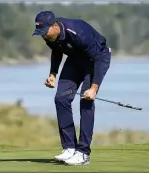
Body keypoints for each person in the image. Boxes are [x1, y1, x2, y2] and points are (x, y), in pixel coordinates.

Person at [32, 11, 111, 166]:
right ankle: (69, 148)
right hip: (75, 60)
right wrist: (52, 74)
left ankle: (83, 153)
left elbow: (100, 59)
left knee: (86, 101)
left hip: (96, 58)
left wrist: (94, 88)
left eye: (45, 32)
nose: (43, 36)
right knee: (61, 98)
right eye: (40, 33)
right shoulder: (49, 35)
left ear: (54, 26)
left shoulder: (78, 32)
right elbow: (56, 51)